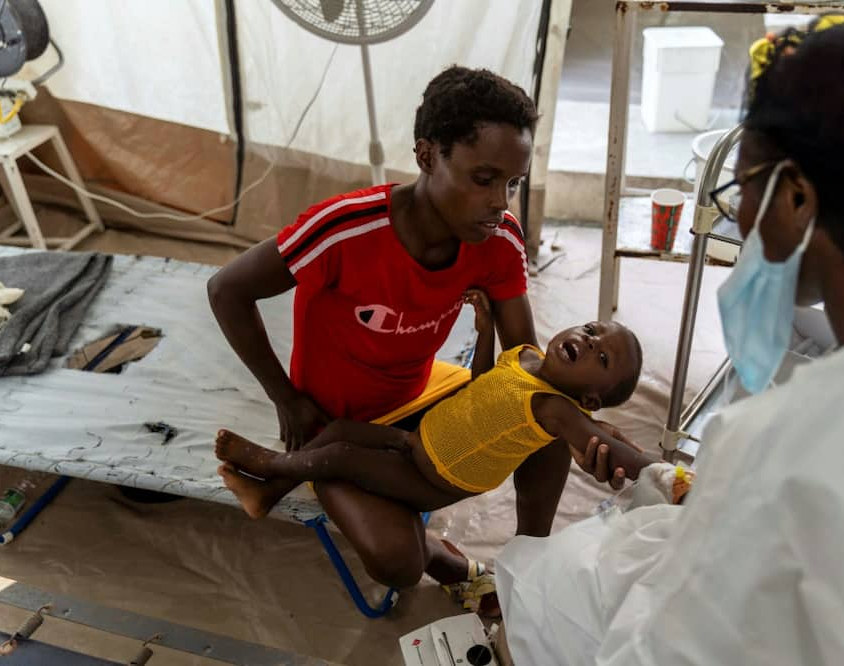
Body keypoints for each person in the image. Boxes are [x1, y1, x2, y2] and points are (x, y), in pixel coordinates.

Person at [495, 15, 844, 665]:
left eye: (742, 187)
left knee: (538, 602)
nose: (742, 218)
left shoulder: (780, 442)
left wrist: (716, 493)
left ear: (794, 198)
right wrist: (667, 483)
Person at [207, 65, 625, 595]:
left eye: (513, 183)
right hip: (336, 421)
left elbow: (529, 362)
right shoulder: (345, 229)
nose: (501, 200)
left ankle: (528, 574)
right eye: (484, 179)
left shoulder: (497, 238)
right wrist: (286, 399)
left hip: (427, 396)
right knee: (398, 564)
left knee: (550, 415)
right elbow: (226, 290)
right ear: (427, 156)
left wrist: (586, 424)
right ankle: (438, 552)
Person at [212, 290, 648, 518]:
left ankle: (269, 466)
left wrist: (667, 475)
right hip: (417, 441)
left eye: (602, 357)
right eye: (592, 330)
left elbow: (608, 446)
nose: (589, 342)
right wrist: (483, 331)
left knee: (343, 456)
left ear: (590, 398)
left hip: (437, 476)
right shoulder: (526, 356)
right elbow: (483, 385)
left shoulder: (556, 410)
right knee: (341, 429)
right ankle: (269, 492)